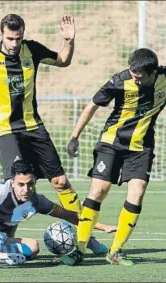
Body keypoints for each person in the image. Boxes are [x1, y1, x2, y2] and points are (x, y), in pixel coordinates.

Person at [0, 13, 84, 232]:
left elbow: (63, 61)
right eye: (9, 38)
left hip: (33, 126)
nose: (13, 44)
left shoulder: (32, 49)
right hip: (5, 129)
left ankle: (83, 234)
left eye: (18, 38)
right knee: (16, 185)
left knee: (60, 182)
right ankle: (3, 238)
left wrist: (69, 41)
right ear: (1, 34)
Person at [61, 48, 166, 266]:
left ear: (153, 73)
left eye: (140, 78)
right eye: (133, 76)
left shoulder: (164, 78)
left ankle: (116, 250)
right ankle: (80, 248)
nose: (135, 80)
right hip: (111, 143)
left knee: (136, 195)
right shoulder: (119, 81)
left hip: (141, 147)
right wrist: (74, 136)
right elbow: (92, 105)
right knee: (99, 191)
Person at [0, 158, 117, 266]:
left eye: (30, 184)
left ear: (35, 182)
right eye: (20, 185)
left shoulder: (38, 202)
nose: (26, 189)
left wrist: (102, 227)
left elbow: (70, 216)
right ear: (12, 183)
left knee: (32, 247)